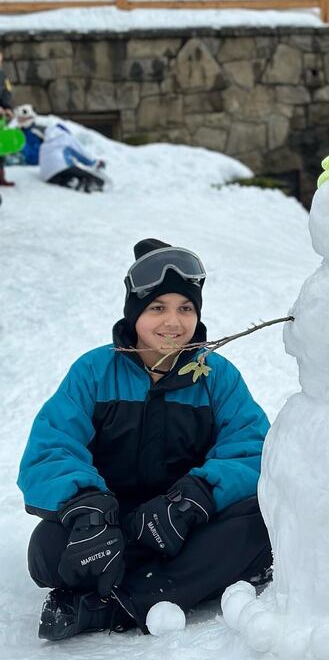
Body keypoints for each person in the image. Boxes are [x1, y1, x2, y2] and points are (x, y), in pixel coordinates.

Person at [17, 239, 273, 641]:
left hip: (184, 524)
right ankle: (176, 579)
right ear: (134, 312)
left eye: (185, 309)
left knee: (261, 522)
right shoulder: (94, 371)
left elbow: (254, 447)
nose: (173, 322)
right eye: (158, 308)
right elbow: (52, 447)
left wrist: (197, 496)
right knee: (46, 551)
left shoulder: (215, 376)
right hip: (113, 524)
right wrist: (87, 510)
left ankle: (111, 603)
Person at [39, 122, 106, 192]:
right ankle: (91, 185)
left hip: (47, 176)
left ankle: (70, 181)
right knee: (97, 181)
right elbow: (81, 154)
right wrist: (94, 163)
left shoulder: (45, 144)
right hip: (62, 167)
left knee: (64, 176)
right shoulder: (66, 137)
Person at [0, 50, 15, 186]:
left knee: (1, 147)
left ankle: (1, 176)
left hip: (0, 118)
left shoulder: (2, 76)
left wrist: (7, 108)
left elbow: (6, 93)